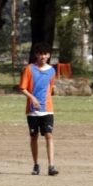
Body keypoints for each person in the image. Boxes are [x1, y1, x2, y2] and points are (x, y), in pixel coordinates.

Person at [19, 42, 59, 176]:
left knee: (49, 135)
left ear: (48, 55)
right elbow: (22, 88)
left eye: (45, 54)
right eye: (40, 54)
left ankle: (51, 166)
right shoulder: (29, 69)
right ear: (36, 55)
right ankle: (36, 164)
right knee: (34, 136)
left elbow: (51, 87)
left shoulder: (52, 70)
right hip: (32, 110)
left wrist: (52, 92)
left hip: (47, 109)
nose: (43, 56)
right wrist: (33, 98)